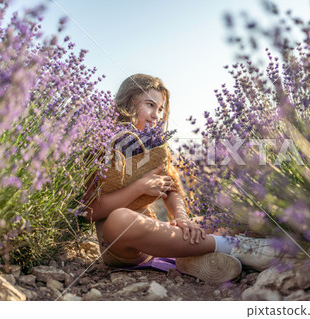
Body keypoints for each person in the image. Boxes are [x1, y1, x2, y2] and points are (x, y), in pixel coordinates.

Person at [83, 74, 280, 283]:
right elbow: (89, 212)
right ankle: (233, 247)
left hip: (159, 231)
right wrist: (139, 187)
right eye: (150, 105)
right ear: (129, 102)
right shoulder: (103, 144)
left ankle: (190, 256)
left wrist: (182, 219)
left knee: (231, 217)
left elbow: (172, 188)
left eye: (160, 109)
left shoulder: (154, 146)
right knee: (120, 219)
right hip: (121, 244)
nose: (156, 115)